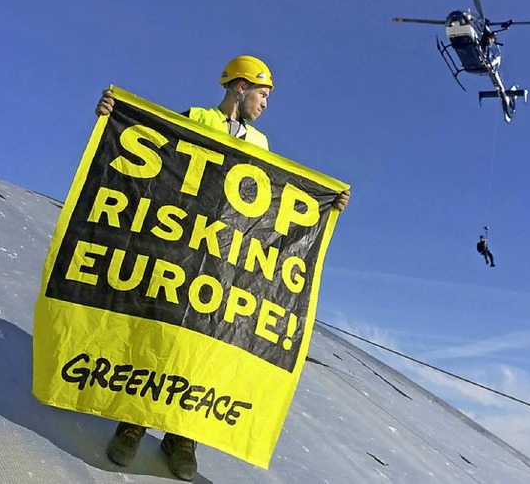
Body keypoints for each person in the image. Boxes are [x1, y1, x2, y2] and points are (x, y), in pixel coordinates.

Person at [95, 55, 350, 480]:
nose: (265, 104)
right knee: (164, 334)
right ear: (240, 87)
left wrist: (325, 207)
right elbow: (150, 146)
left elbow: (270, 205)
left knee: (206, 345)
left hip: (225, 261)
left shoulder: (261, 146)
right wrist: (111, 117)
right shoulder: (195, 118)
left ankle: (182, 435)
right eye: (263, 94)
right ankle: (133, 424)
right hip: (180, 249)